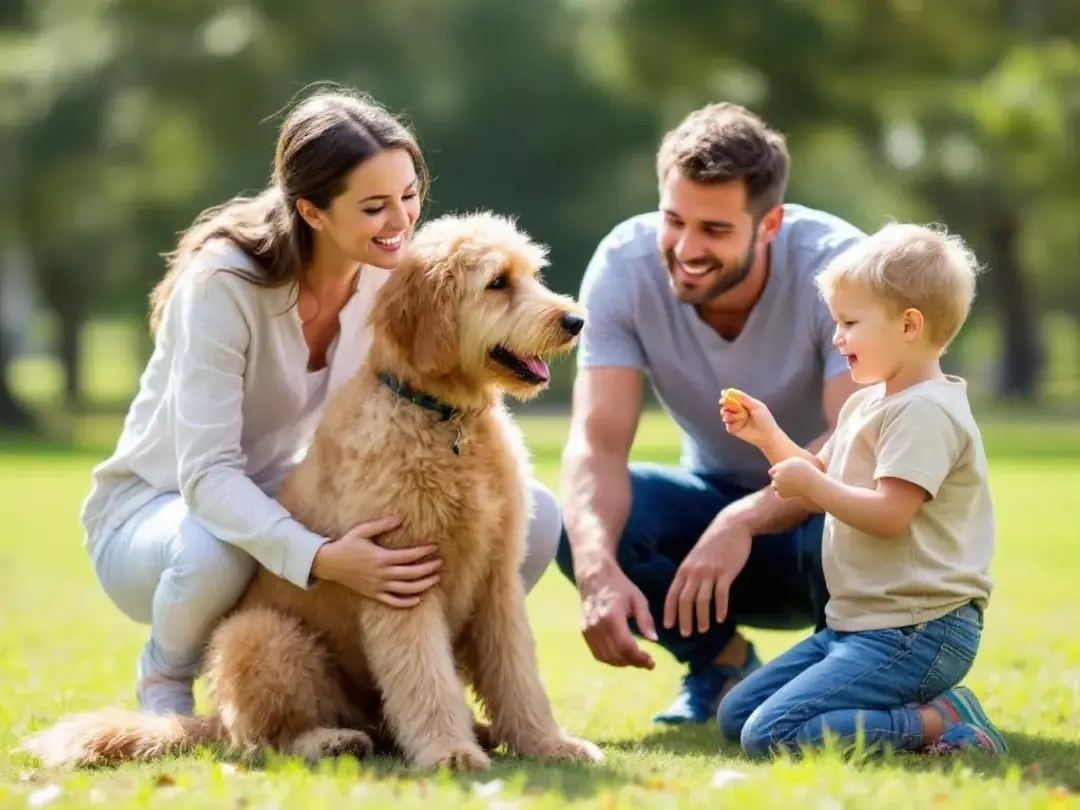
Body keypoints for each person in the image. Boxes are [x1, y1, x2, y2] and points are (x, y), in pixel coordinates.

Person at [79, 88, 564, 718]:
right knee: (220, 548)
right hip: (163, 515)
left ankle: (413, 699)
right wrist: (324, 558)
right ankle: (165, 679)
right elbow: (207, 478)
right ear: (312, 211)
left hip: (294, 495)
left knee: (532, 518)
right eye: (374, 207)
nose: (401, 222)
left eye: (409, 196)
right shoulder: (221, 285)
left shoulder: (389, 271)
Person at [555, 101, 864, 724]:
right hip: (709, 514)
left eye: (715, 230)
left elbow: (857, 442)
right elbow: (597, 442)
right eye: (674, 220)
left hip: (829, 522)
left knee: (845, 514)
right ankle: (721, 665)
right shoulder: (623, 266)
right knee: (581, 523)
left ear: (769, 223)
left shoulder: (843, 268)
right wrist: (595, 569)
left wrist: (743, 520)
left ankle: (860, 675)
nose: (687, 248)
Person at [714, 221, 1007, 758]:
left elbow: (889, 514)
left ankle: (938, 720)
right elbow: (816, 482)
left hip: (918, 631)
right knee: (737, 716)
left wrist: (813, 483)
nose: (837, 337)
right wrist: (769, 437)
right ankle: (911, 710)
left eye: (849, 323)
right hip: (854, 626)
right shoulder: (868, 402)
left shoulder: (926, 412)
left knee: (768, 735)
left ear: (909, 324)